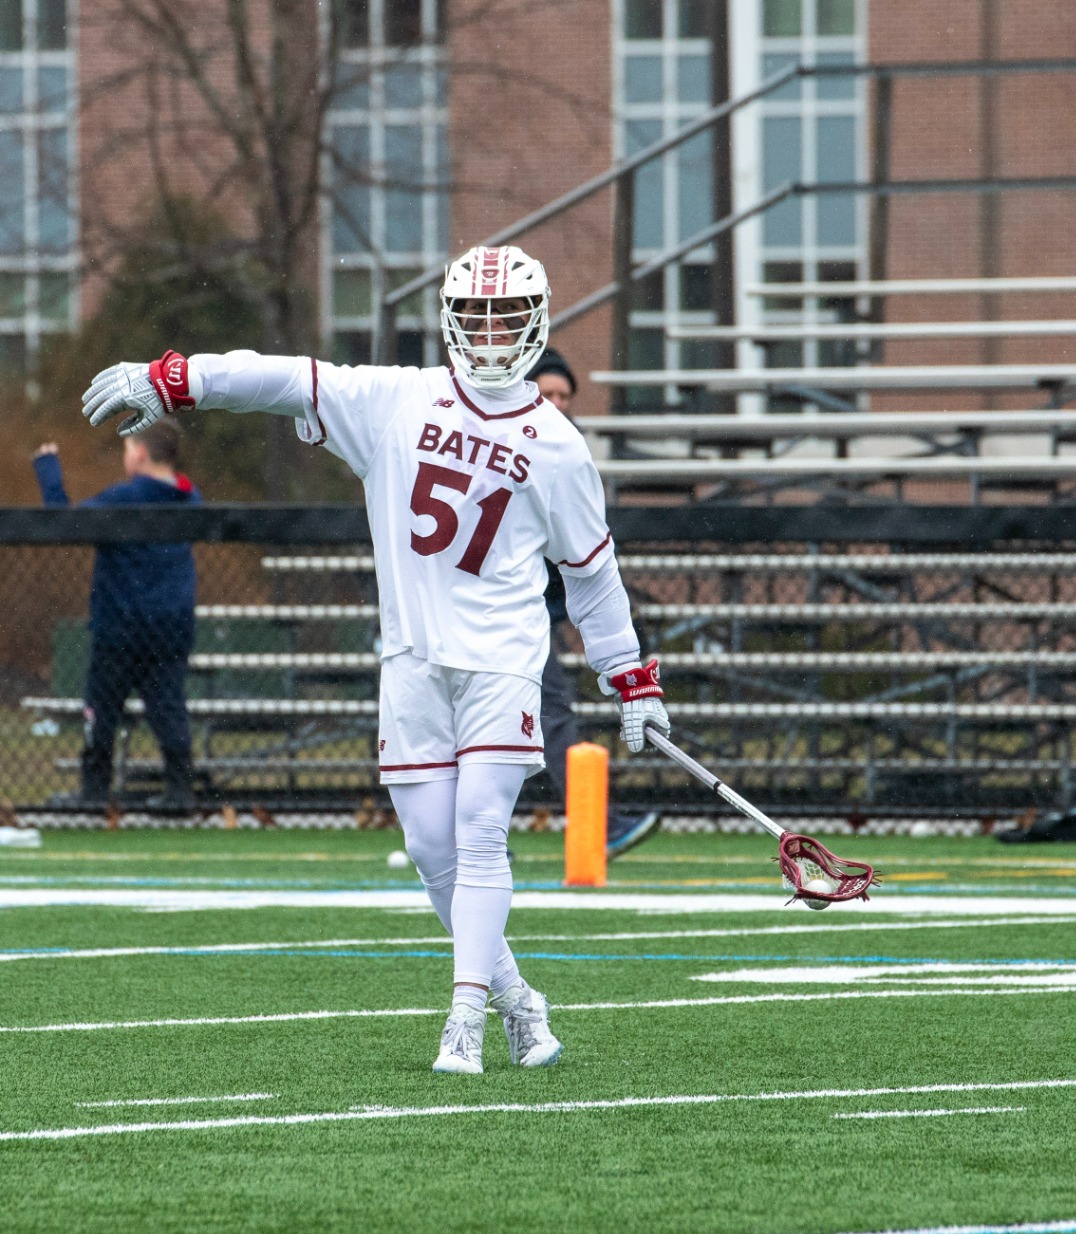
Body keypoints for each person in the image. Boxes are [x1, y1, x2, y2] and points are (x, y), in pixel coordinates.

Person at [81, 244, 672, 1077]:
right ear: (450, 321)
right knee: (432, 848)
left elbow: (593, 575)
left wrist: (629, 675)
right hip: (411, 660)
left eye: (508, 316)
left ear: (537, 323)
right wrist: (178, 378)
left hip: (502, 660)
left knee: (478, 833)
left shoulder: (559, 446)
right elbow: (281, 376)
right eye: (477, 315)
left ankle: (463, 1017)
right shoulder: (401, 397)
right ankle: (517, 999)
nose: (493, 331)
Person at [528, 346, 659, 857]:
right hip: (491, 613)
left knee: (542, 714)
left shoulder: (568, 452)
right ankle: (599, 826)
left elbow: (583, 553)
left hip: (533, 612)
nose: (557, 403)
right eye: (547, 393)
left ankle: (597, 824)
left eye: (565, 395)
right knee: (541, 714)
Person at [33, 421, 202, 814]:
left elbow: (63, 524)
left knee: (102, 709)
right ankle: (181, 791)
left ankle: (94, 792)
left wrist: (48, 472)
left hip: (120, 629)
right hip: (171, 627)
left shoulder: (124, 499)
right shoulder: (191, 499)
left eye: (128, 448)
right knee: (168, 707)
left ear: (140, 453)